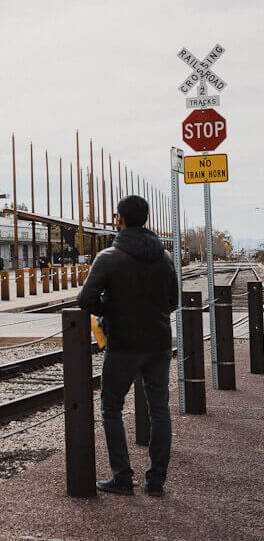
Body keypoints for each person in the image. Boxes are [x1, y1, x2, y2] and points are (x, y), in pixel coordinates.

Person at [78, 194, 179, 496]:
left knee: (111, 407)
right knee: (160, 408)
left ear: (119, 219)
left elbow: (86, 301)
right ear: (145, 220)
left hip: (123, 344)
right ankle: (156, 479)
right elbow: (172, 302)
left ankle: (122, 477)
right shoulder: (164, 257)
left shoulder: (109, 257)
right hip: (160, 342)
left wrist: (111, 308)